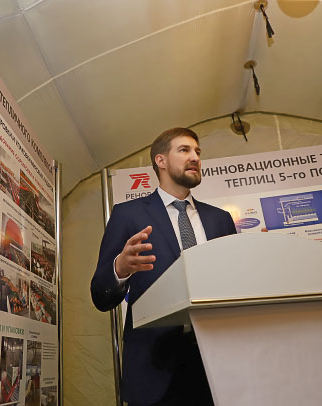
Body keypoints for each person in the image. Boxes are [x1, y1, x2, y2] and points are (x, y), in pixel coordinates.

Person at [91, 127, 237, 406]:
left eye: (197, 152)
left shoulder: (220, 219)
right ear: (161, 161)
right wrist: (120, 268)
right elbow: (100, 295)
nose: (195, 157)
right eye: (184, 150)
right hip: (154, 370)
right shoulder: (128, 215)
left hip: (218, 366)